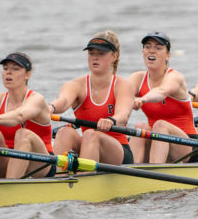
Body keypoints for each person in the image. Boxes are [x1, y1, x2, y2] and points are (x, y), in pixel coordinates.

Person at [50, 31, 135, 165]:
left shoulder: (123, 85)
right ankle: (59, 179)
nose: (95, 58)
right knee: (64, 132)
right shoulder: (75, 85)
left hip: (119, 151)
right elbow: (63, 101)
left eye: (101, 54)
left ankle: (83, 180)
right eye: (91, 53)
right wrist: (51, 107)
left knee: (90, 134)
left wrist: (112, 120)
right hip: (88, 146)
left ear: (114, 56)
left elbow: (123, 114)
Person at [0, 51, 55, 178]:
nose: (8, 72)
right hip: (8, 160)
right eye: (5, 68)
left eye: (15, 69)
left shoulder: (36, 99)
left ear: (27, 75)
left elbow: (19, 116)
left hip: (40, 164)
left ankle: (11, 187)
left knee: (23, 134)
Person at [128, 32, 198, 163]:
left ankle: (156, 170)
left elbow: (161, 92)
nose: (152, 51)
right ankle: (131, 171)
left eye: (158, 48)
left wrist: (142, 99)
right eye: (147, 47)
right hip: (158, 141)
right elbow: (121, 99)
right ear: (143, 52)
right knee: (139, 126)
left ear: (167, 56)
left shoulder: (174, 77)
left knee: (160, 125)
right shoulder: (137, 78)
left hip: (188, 145)